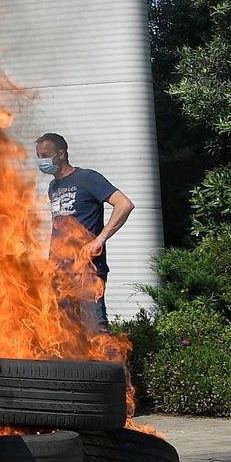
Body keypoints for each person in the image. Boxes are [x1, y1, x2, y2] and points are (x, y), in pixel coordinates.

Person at [35, 132, 135, 335]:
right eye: (39, 157)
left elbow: (124, 205)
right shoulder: (53, 186)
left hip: (87, 270)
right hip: (59, 272)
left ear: (61, 154)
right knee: (66, 334)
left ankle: (114, 366)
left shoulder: (88, 178)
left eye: (45, 155)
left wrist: (100, 239)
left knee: (95, 330)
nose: (41, 161)